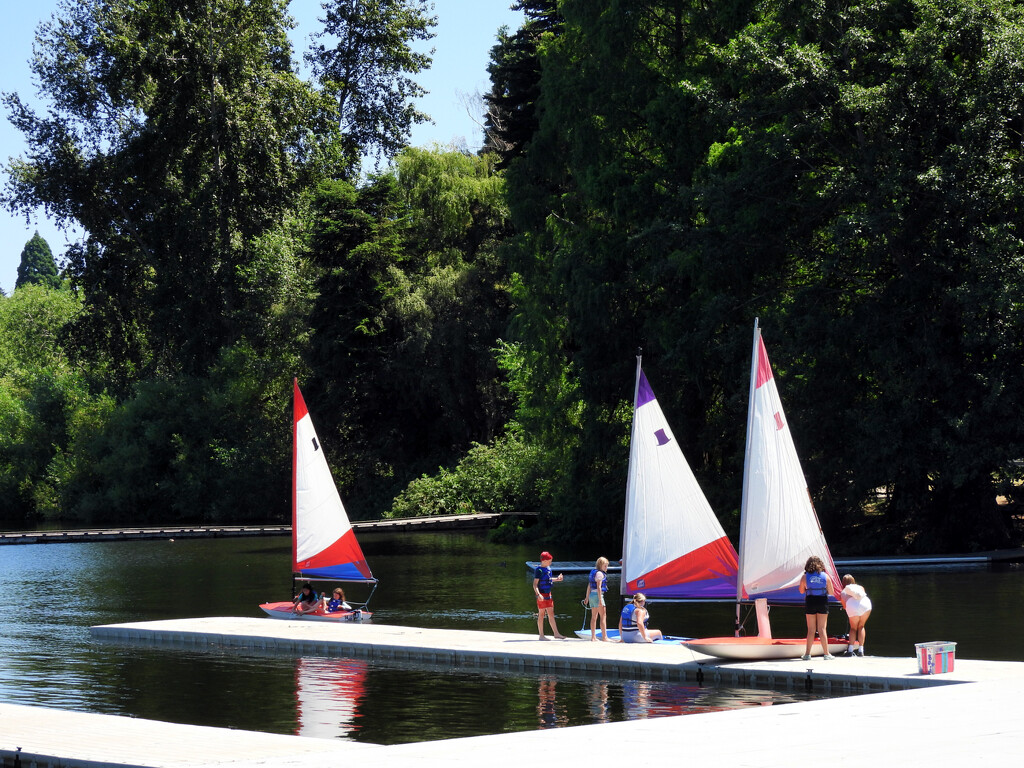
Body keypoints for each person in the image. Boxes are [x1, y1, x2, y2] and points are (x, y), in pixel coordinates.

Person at [799, 555, 836, 660]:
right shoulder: (826, 576)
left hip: (810, 601)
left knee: (811, 629)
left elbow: (801, 591)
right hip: (822, 601)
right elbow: (832, 592)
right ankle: (826, 654)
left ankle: (807, 654)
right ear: (821, 565)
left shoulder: (804, 576)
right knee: (822, 629)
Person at [533, 551, 565, 640]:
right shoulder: (538, 570)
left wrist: (558, 579)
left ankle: (556, 633)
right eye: (549, 561)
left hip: (548, 594)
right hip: (541, 594)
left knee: (551, 613)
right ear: (544, 560)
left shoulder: (548, 568)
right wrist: (538, 594)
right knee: (541, 614)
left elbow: (548, 579)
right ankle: (541, 635)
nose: (550, 562)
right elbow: (535, 584)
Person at [840, 574, 872, 656]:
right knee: (861, 626)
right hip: (866, 605)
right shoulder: (861, 587)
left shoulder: (843, 592)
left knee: (853, 628)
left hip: (852, 606)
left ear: (843, 582)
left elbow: (844, 606)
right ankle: (861, 650)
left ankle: (850, 650)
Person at [585, 557, 610, 641]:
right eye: (605, 566)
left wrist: (587, 597)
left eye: (607, 566)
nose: (606, 568)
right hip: (598, 596)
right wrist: (600, 600)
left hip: (592, 595)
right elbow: (599, 588)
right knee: (603, 616)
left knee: (593, 617)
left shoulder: (594, 573)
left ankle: (593, 637)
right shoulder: (600, 574)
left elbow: (589, 586)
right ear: (600, 565)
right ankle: (604, 637)